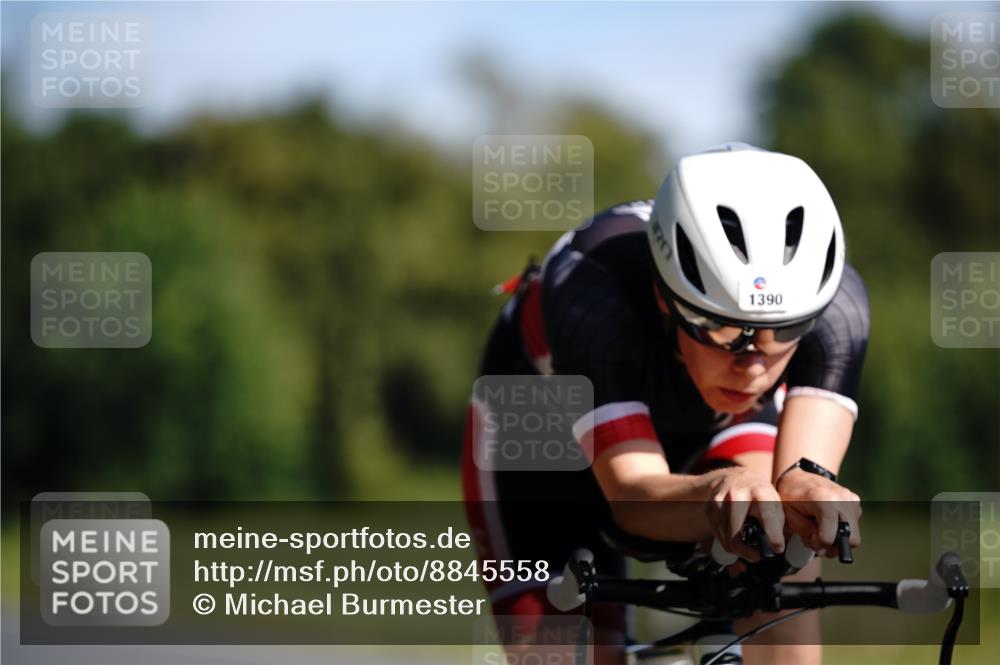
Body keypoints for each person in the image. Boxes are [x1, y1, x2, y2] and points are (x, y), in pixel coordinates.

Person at [462, 143, 869, 665]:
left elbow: (803, 477)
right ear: (664, 297)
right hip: (542, 439)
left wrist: (807, 488)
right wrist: (718, 491)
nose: (753, 366)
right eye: (724, 330)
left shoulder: (839, 308)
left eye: (784, 332)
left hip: (706, 425)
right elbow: (634, 497)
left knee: (774, 544)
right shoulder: (593, 288)